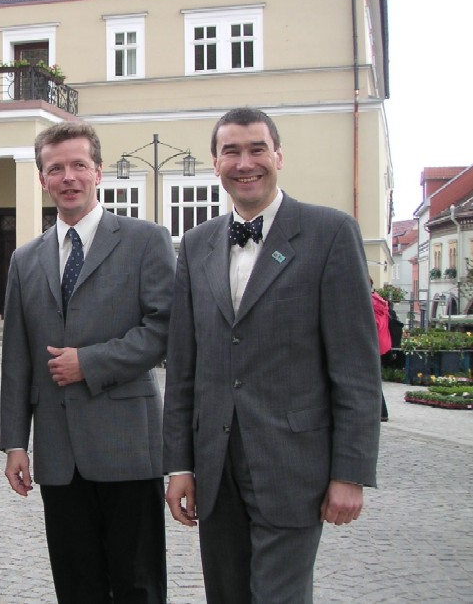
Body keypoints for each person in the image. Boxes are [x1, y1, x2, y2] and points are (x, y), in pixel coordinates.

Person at [163, 108, 380, 603]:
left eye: (257, 149)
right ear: (214, 163)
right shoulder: (196, 246)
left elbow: (356, 368)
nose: (245, 163)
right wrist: (179, 465)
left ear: (278, 156)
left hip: (293, 465)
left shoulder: (329, 234)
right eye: (231, 152)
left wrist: (350, 472)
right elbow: (183, 369)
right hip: (216, 468)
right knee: (227, 594)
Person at [0, 120, 174, 603]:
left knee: (137, 585)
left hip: (128, 448)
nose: (68, 177)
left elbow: (164, 329)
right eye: (56, 168)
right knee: (77, 588)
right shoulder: (25, 259)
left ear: (98, 171)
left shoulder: (145, 240)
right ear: (42, 179)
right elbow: (17, 359)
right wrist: (15, 443)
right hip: (59, 454)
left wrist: (90, 363)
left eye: (79, 165)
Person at [370, 278, 391, 422]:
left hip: (372, 344)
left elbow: (373, 325)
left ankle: (381, 411)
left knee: (371, 379)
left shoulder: (369, 302)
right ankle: (382, 412)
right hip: (382, 344)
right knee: (375, 378)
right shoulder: (379, 301)